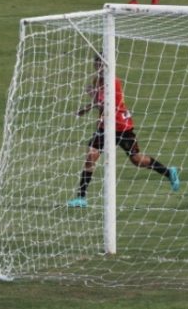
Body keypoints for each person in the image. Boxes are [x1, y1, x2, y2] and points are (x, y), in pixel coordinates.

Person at [68, 55, 180, 208]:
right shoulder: (97, 81)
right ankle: (81, 198)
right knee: (91, 156)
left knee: (137, 160)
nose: (99, 67)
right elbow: (99, 104)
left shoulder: (114, 82)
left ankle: (169, 172)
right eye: (97, 64)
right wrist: (87, 107)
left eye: (101, 64)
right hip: (105, 127)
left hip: (122, 127)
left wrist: (88, 101)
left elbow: (104, 104)